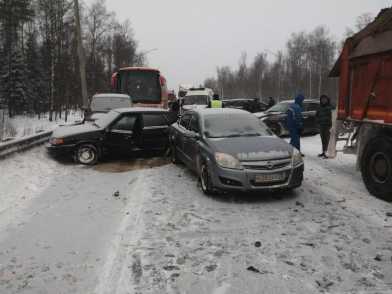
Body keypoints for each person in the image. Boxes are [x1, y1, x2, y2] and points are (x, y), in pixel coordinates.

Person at [316, 94, 333, 158]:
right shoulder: (319, 107)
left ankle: (327, 153)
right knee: (323, 140)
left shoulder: (330, 107)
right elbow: (316, 115)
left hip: (328, 126)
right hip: (321, 126)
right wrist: (318, 122)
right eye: (322, 99)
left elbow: (333, 116)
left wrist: (330, 123)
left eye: (325, 99)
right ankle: (323, 152)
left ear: (327, 100)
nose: (323, 100)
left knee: (327, 140)